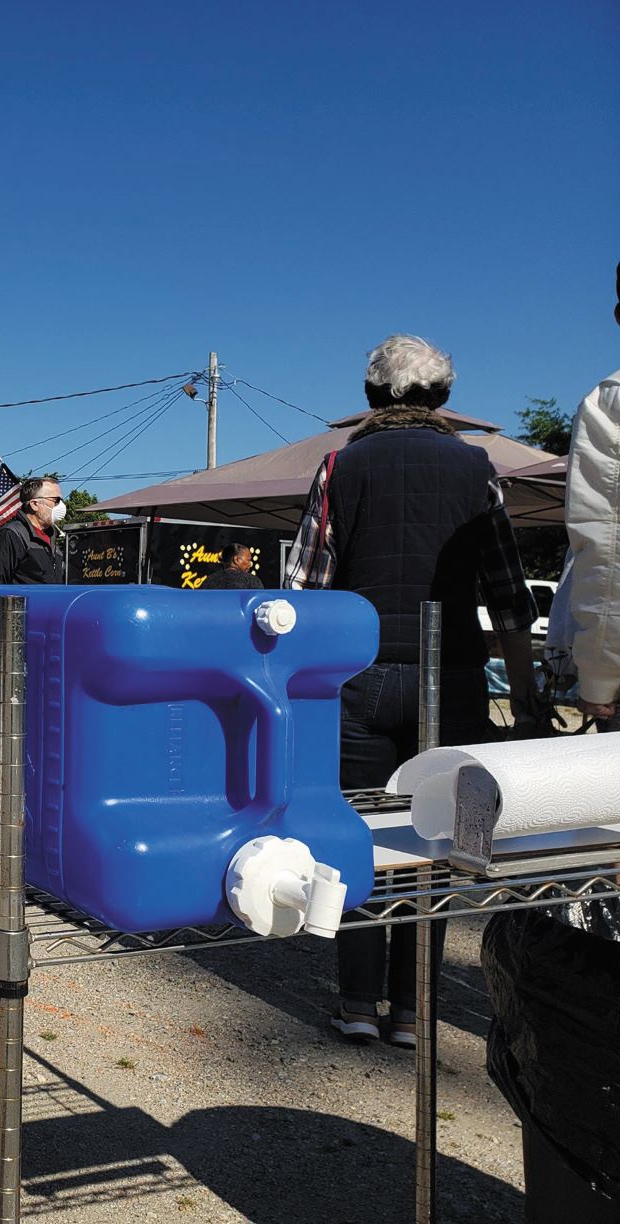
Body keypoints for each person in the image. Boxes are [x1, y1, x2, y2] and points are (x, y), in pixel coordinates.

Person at [286, 334, 536, 1047]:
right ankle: (415, 1009)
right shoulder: (475, 467)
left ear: (371, 397)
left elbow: (305, 589)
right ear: (444, 398)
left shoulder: (340, 465)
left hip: (359, 675)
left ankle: (358, 1004)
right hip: (453, 677)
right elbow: (509, 593)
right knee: (438, 838)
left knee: (359, 835)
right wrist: (523, 699)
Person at [482, 263, 620, 1217]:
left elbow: (606, 568)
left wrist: (599, 696)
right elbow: (513, 584)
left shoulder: (614, 406)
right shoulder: (469, 465)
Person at [0, 474, 64, 584]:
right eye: (56, 500)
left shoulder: (53, 539)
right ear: (35, 504)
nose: (61, 505)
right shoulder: (11, 535)